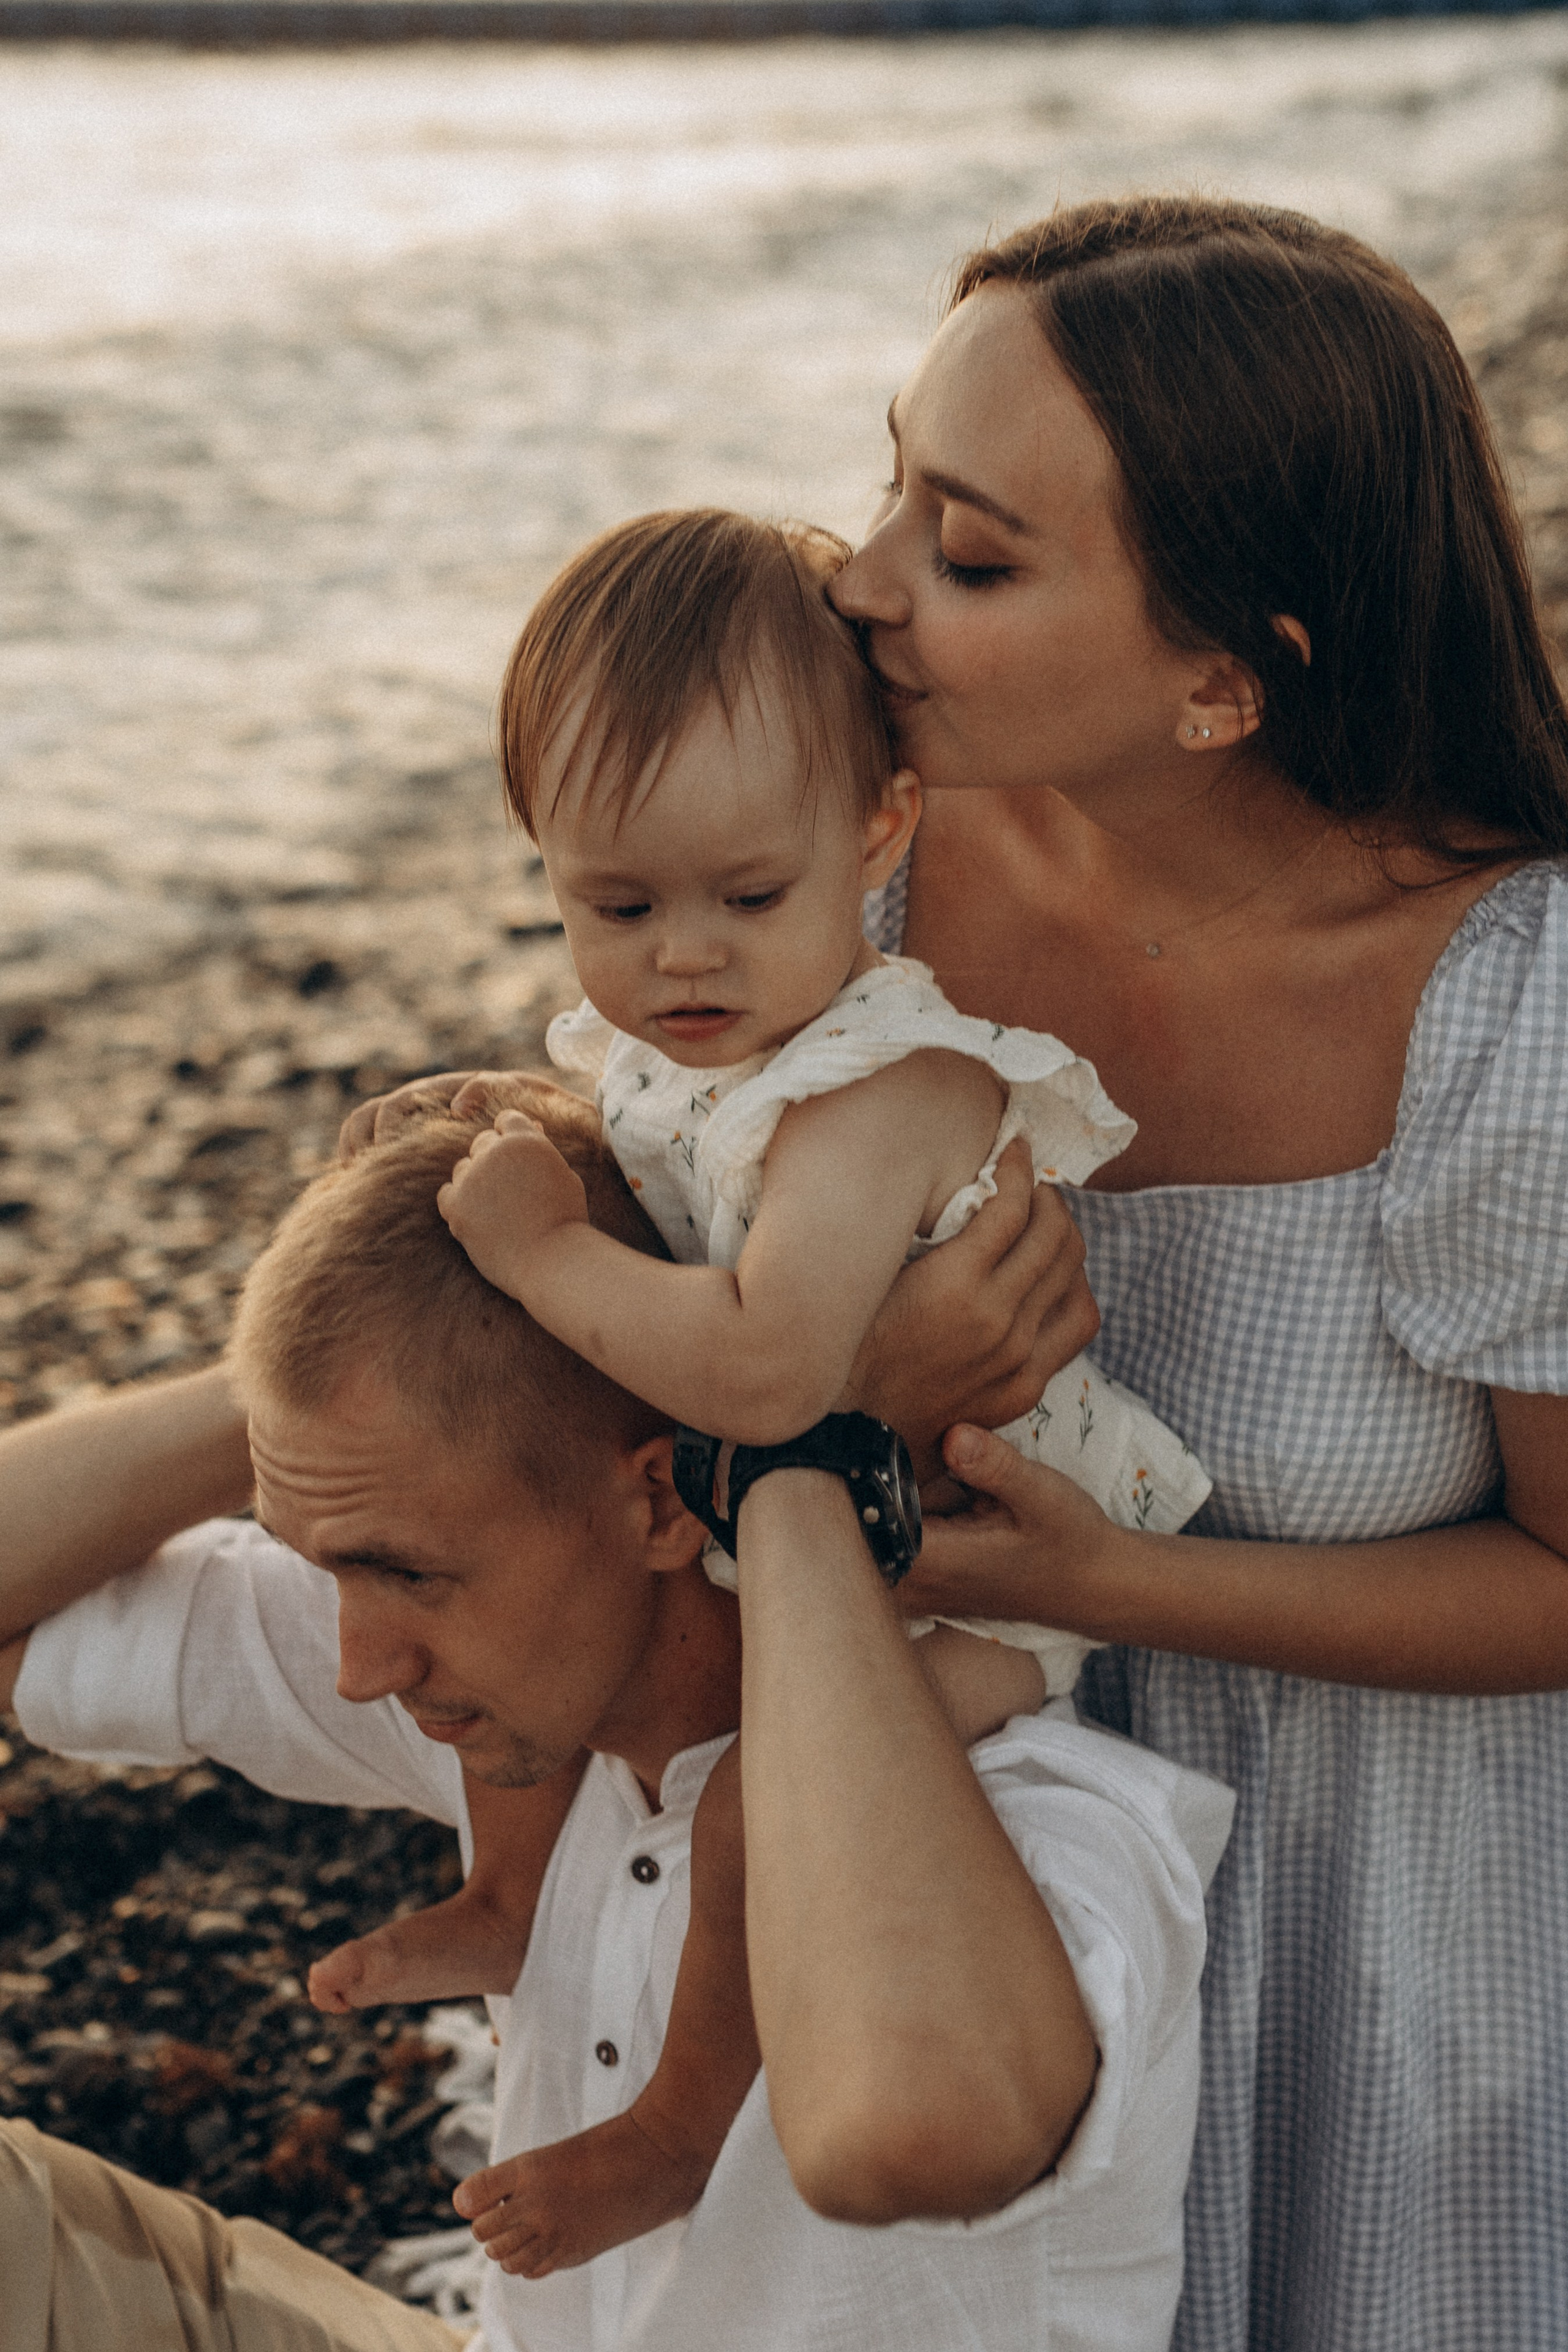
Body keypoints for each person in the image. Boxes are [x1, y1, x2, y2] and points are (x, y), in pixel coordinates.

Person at [357, 192, 1568, 2352]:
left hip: (1401, 1971)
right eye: (892, 482)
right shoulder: (864, 871)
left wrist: (1099, 1584)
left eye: (973, 551)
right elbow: (675, 1204)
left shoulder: (1513, 1011)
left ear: (1228, 680)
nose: (857, 577)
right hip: (935, 1860)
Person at [317, 505, 1214, 2273]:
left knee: (743, 1797)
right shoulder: (682, 1041)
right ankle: (511, 1897)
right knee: (541, 1611)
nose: (685, 964)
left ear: (880, 827)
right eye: (616, 905)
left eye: (751, 897)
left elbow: (773, 1365)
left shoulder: (886, 1087)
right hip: (802, 1523)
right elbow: (651, 1188)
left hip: (977, 1555)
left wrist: (538, 1259)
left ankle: (676, 2121)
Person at [0, 1088, 1234, 2352]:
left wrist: (791, 1442)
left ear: (658, 1504)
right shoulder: (546, 1721)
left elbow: (908, 2134)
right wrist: (356, 1333)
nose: (360, 1665)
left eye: (407, 1572)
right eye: (332, 1569)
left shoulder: (1044, 1824)